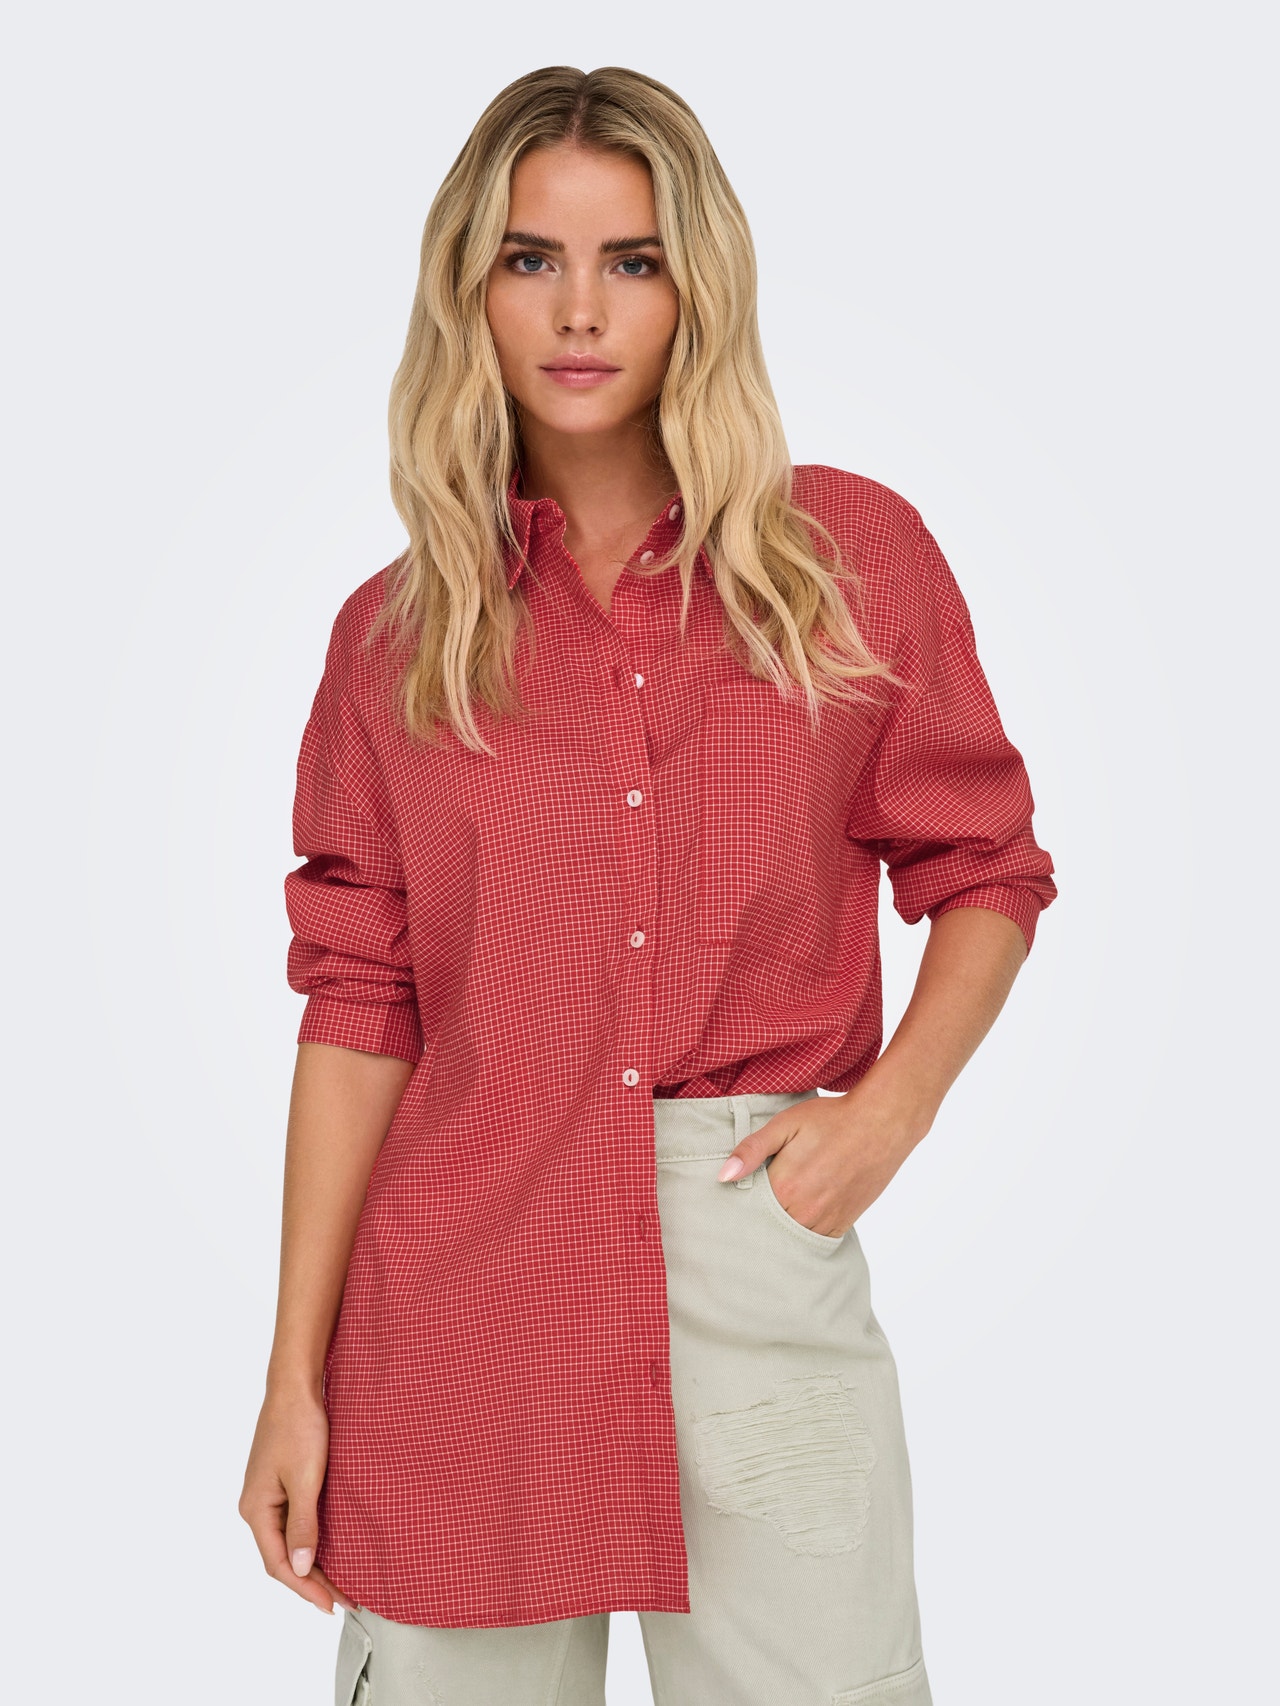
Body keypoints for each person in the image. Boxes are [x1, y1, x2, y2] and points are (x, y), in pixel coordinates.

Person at [239, 64, 1057, 1706]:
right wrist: (292, 1375)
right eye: (531, 259)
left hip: (750, 1230)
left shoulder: (846, 561)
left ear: (701, 284)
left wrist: (887, 1115)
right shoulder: (393, 636)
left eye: (633, 259)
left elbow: (984, 864)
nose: (580, 310)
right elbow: (361, 1002)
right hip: (465, 1274)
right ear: (469, 287)